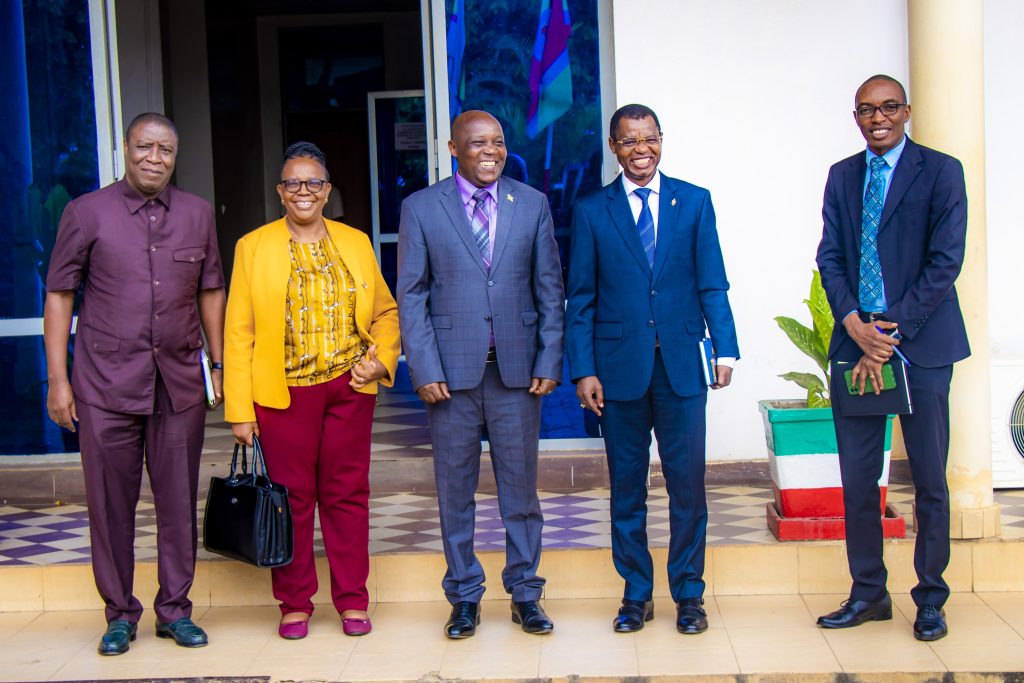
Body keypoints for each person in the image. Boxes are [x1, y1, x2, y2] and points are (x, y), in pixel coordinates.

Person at [43, 112, 225, 655]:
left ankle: (175, 611)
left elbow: (211, 289)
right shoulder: (85, 213)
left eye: (165, 150)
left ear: (176, 156)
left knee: (177, 502)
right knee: (110, 506)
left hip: (178, 387)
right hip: (104, 387)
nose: (155, 158)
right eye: (144, 147)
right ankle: (119, 614)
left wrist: (219, 364)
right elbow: (59, 295)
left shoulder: (196, 214)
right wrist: (58, 378)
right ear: (126, 148)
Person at [565, 104, 739, 635]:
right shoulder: (594, 210)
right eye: (628, 141)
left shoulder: (695, 201)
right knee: (627, 487)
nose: (641, 150)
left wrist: (725, 349)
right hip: (618, 371)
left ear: (661, 139)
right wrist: (583, 369)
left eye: (649, 139)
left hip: (683, 364)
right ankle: (636, 593)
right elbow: (581, 297)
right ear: (614, 147)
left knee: (688, 486)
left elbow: (712, 280)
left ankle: (689, 594)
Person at [396, 110, 564, 639]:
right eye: (477, 143)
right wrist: (422, 366)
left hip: (517, 374)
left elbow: (549, 287)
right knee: (455, 493)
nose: (490, 151)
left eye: (497, 142)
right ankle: (464, 596)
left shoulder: (531, 203)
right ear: (453, 149)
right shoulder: (422, 208)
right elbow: (413, 294)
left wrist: (548, 358)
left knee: (521, 493)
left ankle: (525, 594)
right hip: (450, 378)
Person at [224, 142, 400, 639]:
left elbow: (386, 313)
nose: (304, 191)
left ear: (327, 191)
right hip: (282, 396)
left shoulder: (356, 242)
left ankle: (351, 600)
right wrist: (240, 409)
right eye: (294, 183)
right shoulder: (252, 247)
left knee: (347, 496)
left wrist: (379, 361)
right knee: (292, 499)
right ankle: (294, 603)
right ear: (281, 192)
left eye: (314, 183)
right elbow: (238, 332)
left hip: (349, 389)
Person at [815, 75, 969, 642]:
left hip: (922, 347)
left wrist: (889, 331)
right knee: (859, 479)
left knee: (928, 476)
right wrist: (856, 324)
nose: (877, 118)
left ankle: (930, 597)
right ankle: (868, 593)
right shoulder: (842, 175)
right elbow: (830, 256)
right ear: (855, 116)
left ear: (906, 111)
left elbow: (945, 262)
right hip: (856, 346)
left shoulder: (942, 171)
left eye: (888, 108)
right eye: (865, 110)